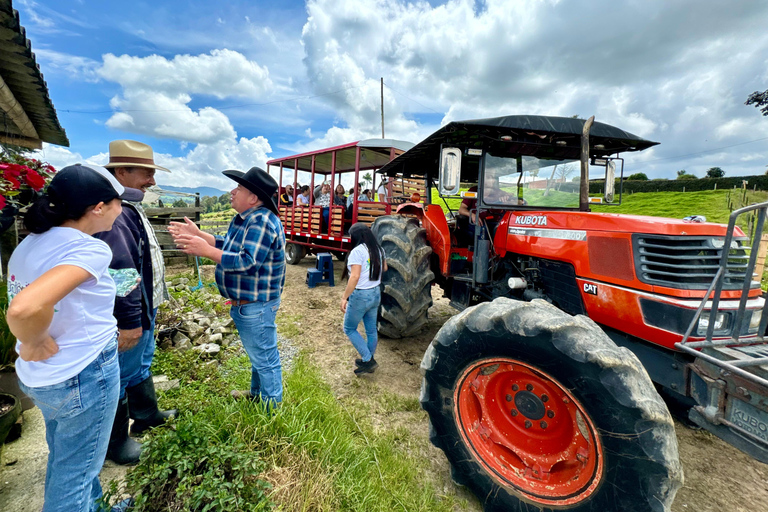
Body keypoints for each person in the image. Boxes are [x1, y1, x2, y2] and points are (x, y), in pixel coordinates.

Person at [7, 164, 134, 512]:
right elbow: (23, 308)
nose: (121, 210)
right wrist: (34, 339)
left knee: (70, 456)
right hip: (83, 373)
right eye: (117, 203)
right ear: (98, 208)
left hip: (45, 377)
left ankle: (94, 506)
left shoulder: (31, 242)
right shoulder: (89, 249)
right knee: (75, 475)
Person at [169, 167, 286, 407]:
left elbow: (247, 261)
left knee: (265, 358)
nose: (232, 192)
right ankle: (257, 395)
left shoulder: (261, 221)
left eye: (239, 188)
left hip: (256, 306)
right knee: (258, 355)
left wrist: (207, 251)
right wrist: (201, 236)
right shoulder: (246, 218)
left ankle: (272, 411)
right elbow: (228, 244)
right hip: (249, 305)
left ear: (253, 198)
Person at [96, 139, 176, 465]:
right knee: (117, 373)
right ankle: (116, 442)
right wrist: (129, 320)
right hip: (131, 312)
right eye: (147, 173)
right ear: (123, 171)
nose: (152, 181)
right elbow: (120, 271)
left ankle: (146, 414)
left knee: (140, 362)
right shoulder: (116, 212)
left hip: (145, 304)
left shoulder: (129, 205)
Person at [341, 223, 387, 375]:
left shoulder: (357, 252)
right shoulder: (379, 249)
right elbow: (385, 268)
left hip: (361, 295)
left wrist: (344, 297)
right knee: (371, 330)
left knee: (349, 328)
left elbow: (354, 276)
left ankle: (368, 359)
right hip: (375, 292)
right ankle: (369, 359)